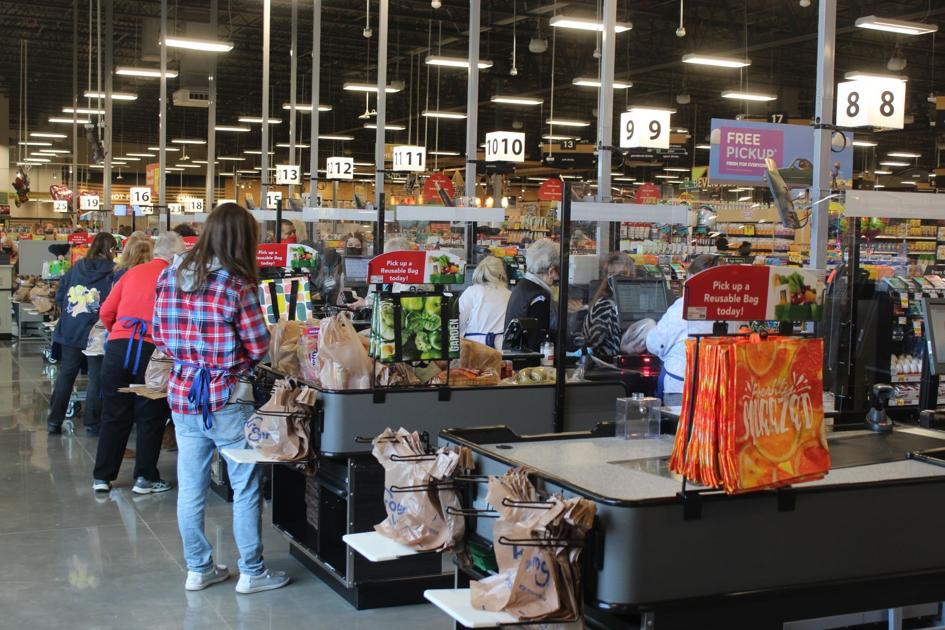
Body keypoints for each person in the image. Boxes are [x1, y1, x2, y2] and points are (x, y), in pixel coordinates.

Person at [152, 203, 289, 595]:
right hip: (228, 395)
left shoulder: (169, 275)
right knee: (244, 486)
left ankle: (199, 568)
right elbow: (260, 346)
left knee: (191, 486)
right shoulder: (237, 284)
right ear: (243, 239)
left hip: (182, 394)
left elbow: (159, 337)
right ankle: (252, 571)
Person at [91, 233, 183, 494]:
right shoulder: (175, 277)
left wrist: (119, 333)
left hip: (119, 349)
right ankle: (144, 478)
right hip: (153, 352)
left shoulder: (130, 273)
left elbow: (106, 312)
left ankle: (102, 477)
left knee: (114, 415)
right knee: (150, 416)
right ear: (174, 256)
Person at [47, 232, 117, 434]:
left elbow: (60, 296)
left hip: (71, 329)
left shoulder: (76, 267)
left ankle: (54, 420)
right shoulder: (113, 272)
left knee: (66, 375)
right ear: (111, 250)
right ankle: (92, 424)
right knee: (96, 377)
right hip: (97, 331)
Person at [645, 254, 720, 406]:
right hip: (717, 384)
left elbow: (656, 343)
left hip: (682, 385)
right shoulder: (732, 305)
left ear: (692, 278)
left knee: (680, 428)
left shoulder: (684, 305)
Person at [503, 239, 559, 352]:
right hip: (530, 366)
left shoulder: (523, 286)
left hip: (516, 360)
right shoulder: (540, 297)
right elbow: (539, 342)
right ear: (551, 271)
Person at [582, 253, 635, 360]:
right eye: (612, 274)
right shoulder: (605, 305)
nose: (616, 278)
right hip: (607, 363)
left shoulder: (630, 301)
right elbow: (593, 343)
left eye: (622, 274)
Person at [460, 256, 511, 349]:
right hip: (502, 348)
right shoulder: (509, 294)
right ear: (501, 274)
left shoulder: (472, 291)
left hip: (474, 347)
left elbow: (458, 321)